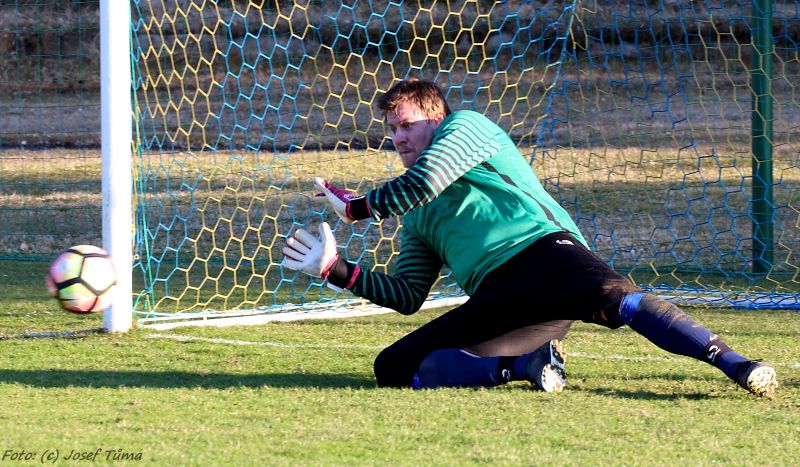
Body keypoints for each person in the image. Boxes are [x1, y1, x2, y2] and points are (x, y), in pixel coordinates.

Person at [282, 77, 779, 398]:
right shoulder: (416, 212)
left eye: (407, 125)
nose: (398, 139)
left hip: (544, 251)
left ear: (435, 119)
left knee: (616, 298)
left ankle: (736, 364)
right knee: (394, 366)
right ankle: (526, 365)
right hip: (502, 295)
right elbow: (409, 295)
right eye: (391, 130)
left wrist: (357, 208)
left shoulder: (467, 127)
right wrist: (336, 271)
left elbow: (428, 178)